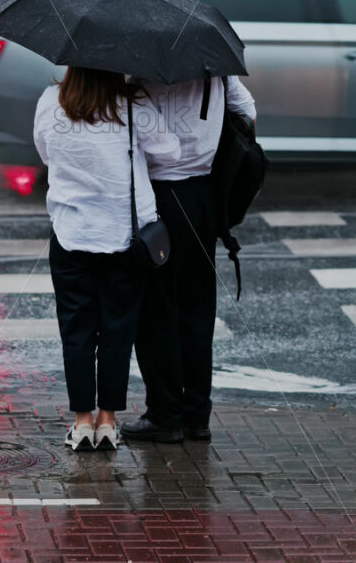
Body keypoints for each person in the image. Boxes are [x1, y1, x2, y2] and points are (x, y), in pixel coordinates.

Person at [33, 67, 181, 452]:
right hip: (125, 237)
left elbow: (45, 153)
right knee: (118, 330)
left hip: (71, 234)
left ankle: (82, 423)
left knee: (76, 330)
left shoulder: (52, 101)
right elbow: (170, 151)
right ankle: (108, 421)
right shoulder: (133, 105)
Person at [121, 75, 256, 444]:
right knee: (197, 310)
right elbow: (247, 112)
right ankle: (197, 416)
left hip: (159, 200)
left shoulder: (142, 73)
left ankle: (165, 414)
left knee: (156, 312)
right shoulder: (214, 68)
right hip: (203, 197)